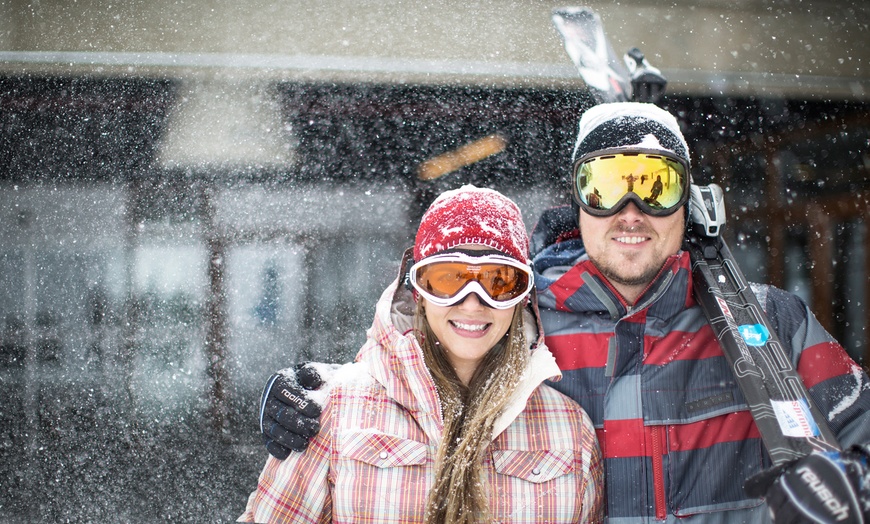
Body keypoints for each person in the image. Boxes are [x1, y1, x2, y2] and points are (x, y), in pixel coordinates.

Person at [256, 103, 870, 522]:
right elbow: (419, 353)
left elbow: (862, 431)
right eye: (606, 187)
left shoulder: (767, 325)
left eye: (655, 186)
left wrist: (855, 488)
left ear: (689, 202)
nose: (632, 211)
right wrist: (319, 389)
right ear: (577, 200)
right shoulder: (521, 312)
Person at [241, 185, 604, 523]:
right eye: (447, 279)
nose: (473, 302)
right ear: (417, 292)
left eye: (498, 281)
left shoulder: (569, 429)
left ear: (521, 297)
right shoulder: (339, 409)